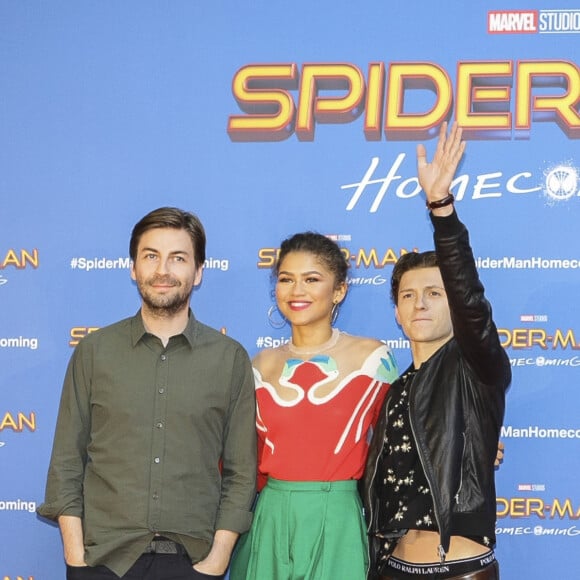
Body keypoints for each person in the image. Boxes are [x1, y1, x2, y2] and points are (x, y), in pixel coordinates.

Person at [38, 207, 257, 580]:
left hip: (193, 563)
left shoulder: (229, 358)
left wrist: (217, 559)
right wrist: (75, 555)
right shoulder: (94, 352)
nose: (163, 271)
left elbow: (241, 472)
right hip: (103, 562)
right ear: (133, 267)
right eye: (151, 256)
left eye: (178, 258)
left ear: (198, 271)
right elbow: (66, 462)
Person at [362, 122, 511, 580]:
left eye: (434, 292)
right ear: (397, 314)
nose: (419, 303)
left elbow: (470, 298)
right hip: (393, 567)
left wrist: (441, 207)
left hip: (460, 571)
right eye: (408, 295)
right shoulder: (397, 386)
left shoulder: (477, 366)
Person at [229, 232, 399, 579]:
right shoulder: (259, 365)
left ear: (339, 290)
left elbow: (403, 435)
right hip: (271, 517)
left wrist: (466, 447)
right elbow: (241, 458)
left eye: (312, 279)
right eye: (286, 279)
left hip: (338, 517)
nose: (296, 291)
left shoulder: (372, 359)